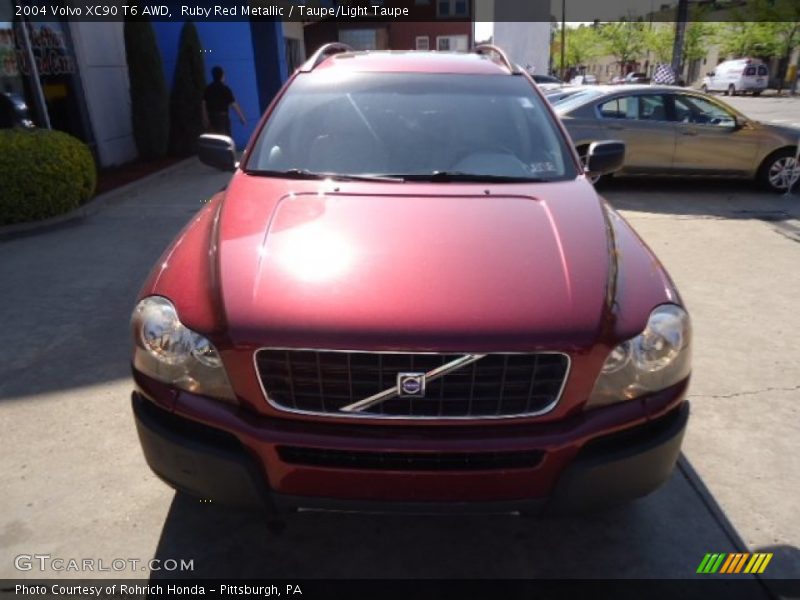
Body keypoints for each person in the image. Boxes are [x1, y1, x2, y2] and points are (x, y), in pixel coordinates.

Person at [202, 66, 245, 136]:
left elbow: (203, 104)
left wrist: (205, 117)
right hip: (223, 119)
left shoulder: (208, 89)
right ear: (222, 75)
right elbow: (234, 104)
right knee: (225, 140)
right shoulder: (225, 89)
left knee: (214, 139)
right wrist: (242, 117)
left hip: (211, 118)